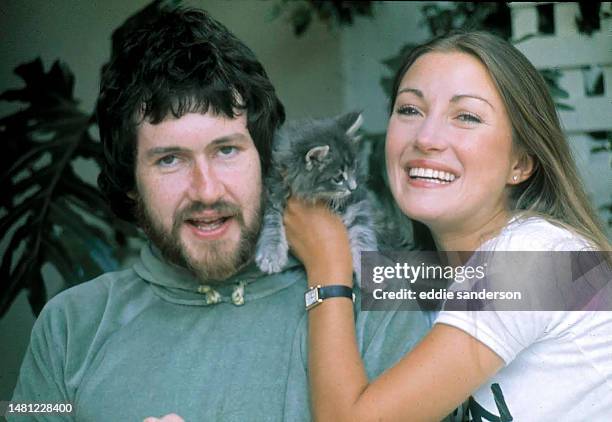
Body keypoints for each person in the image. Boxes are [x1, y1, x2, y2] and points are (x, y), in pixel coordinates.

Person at [10, 7, 431, 421]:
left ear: (268, 160)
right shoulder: (69, 326)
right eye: (169, 160)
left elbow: (494, 289)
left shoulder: (377, 302)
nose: (206, 190)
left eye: (226, 150)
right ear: (130, 183)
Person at [284, 31, 612, 421]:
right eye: (409, 110)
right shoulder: (430, 278)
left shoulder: (537, 257)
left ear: (520, 164)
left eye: (467, 116)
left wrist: (328, 266)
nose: (426, 137)